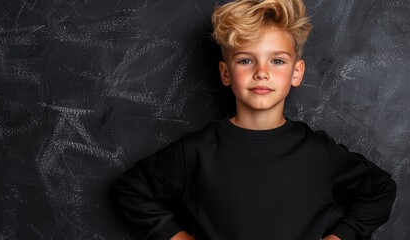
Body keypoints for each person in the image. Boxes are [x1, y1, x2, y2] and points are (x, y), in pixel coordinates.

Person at [113, 0, 398, 239]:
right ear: (226, 73)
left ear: (296, 73)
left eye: (277, 61)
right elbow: (131, 190)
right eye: (246, 60)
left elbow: (381, 189)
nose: (262, 72)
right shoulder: (196, 151)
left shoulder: (318, 152)